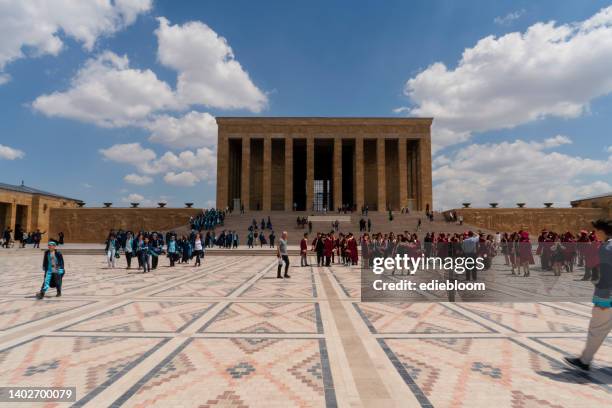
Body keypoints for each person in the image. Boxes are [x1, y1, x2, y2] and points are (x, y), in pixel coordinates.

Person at [565, 219, 612, 371]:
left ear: (603, 231)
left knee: (597, 329)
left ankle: (585, 361)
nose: (594, 234)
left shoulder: (607, 248)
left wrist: (603, 300)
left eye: (596, 231)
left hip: (607, 298)